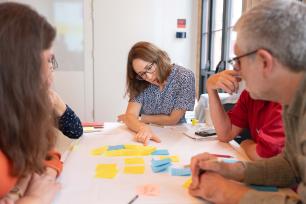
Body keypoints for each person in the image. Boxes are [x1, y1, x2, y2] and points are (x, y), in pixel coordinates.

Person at [189, 0, 306, 203]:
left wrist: (225, 192)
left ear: (265, 62)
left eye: (238, 60)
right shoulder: (292, 100)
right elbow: (291, 165)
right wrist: (230, 169)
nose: (237, 71)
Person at [0, 2, 63, 203]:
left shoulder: (19, 114)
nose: (50, 76)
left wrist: (43, 177)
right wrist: (33, 198)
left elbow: (46, 153)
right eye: (45, 62)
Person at [118, 41, 195, 145]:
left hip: (175, 135)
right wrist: (143, 127)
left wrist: (141, 118)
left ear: (159, 58)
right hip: (146, 135)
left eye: (149, 68)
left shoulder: (184, 76)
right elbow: (130, 115)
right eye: (142, 74)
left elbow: (173, 119)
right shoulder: (140, 81)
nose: (148, 77)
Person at [206, 70, 285, 160]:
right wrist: (211, 88)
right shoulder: (249, 95)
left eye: (240, 61)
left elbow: (266, 156)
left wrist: (246, 144)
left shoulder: (286, 98)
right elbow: (225, 134)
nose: (236, 67)